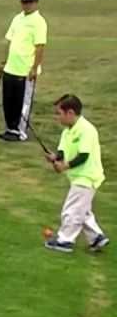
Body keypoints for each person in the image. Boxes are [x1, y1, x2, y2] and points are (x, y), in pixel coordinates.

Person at [43, 94, 107, 253]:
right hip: (77, 176)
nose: (57, 117)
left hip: (87, 176)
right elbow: (62, 152)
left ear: (70, 113)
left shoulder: (87, 130)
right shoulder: (67, 132)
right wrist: (55, 158)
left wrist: (65, 166)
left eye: (59, 113)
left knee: (71, 209)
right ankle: (96, 238)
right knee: (82, 210)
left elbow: (84, 155)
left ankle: (65, 240)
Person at [0, 0, 47, 142]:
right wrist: (4, 61)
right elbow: (9, 41)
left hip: (26, 70)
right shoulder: (17, 19)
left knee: (22, 102)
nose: (27, 5)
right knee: (8, 100)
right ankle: (10, 128)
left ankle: (20, 132)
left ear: (36, 2)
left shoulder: (39, 22)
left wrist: (34, 68)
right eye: (25, 2)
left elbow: (40, 47)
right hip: (11, 67)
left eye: (30, 2)